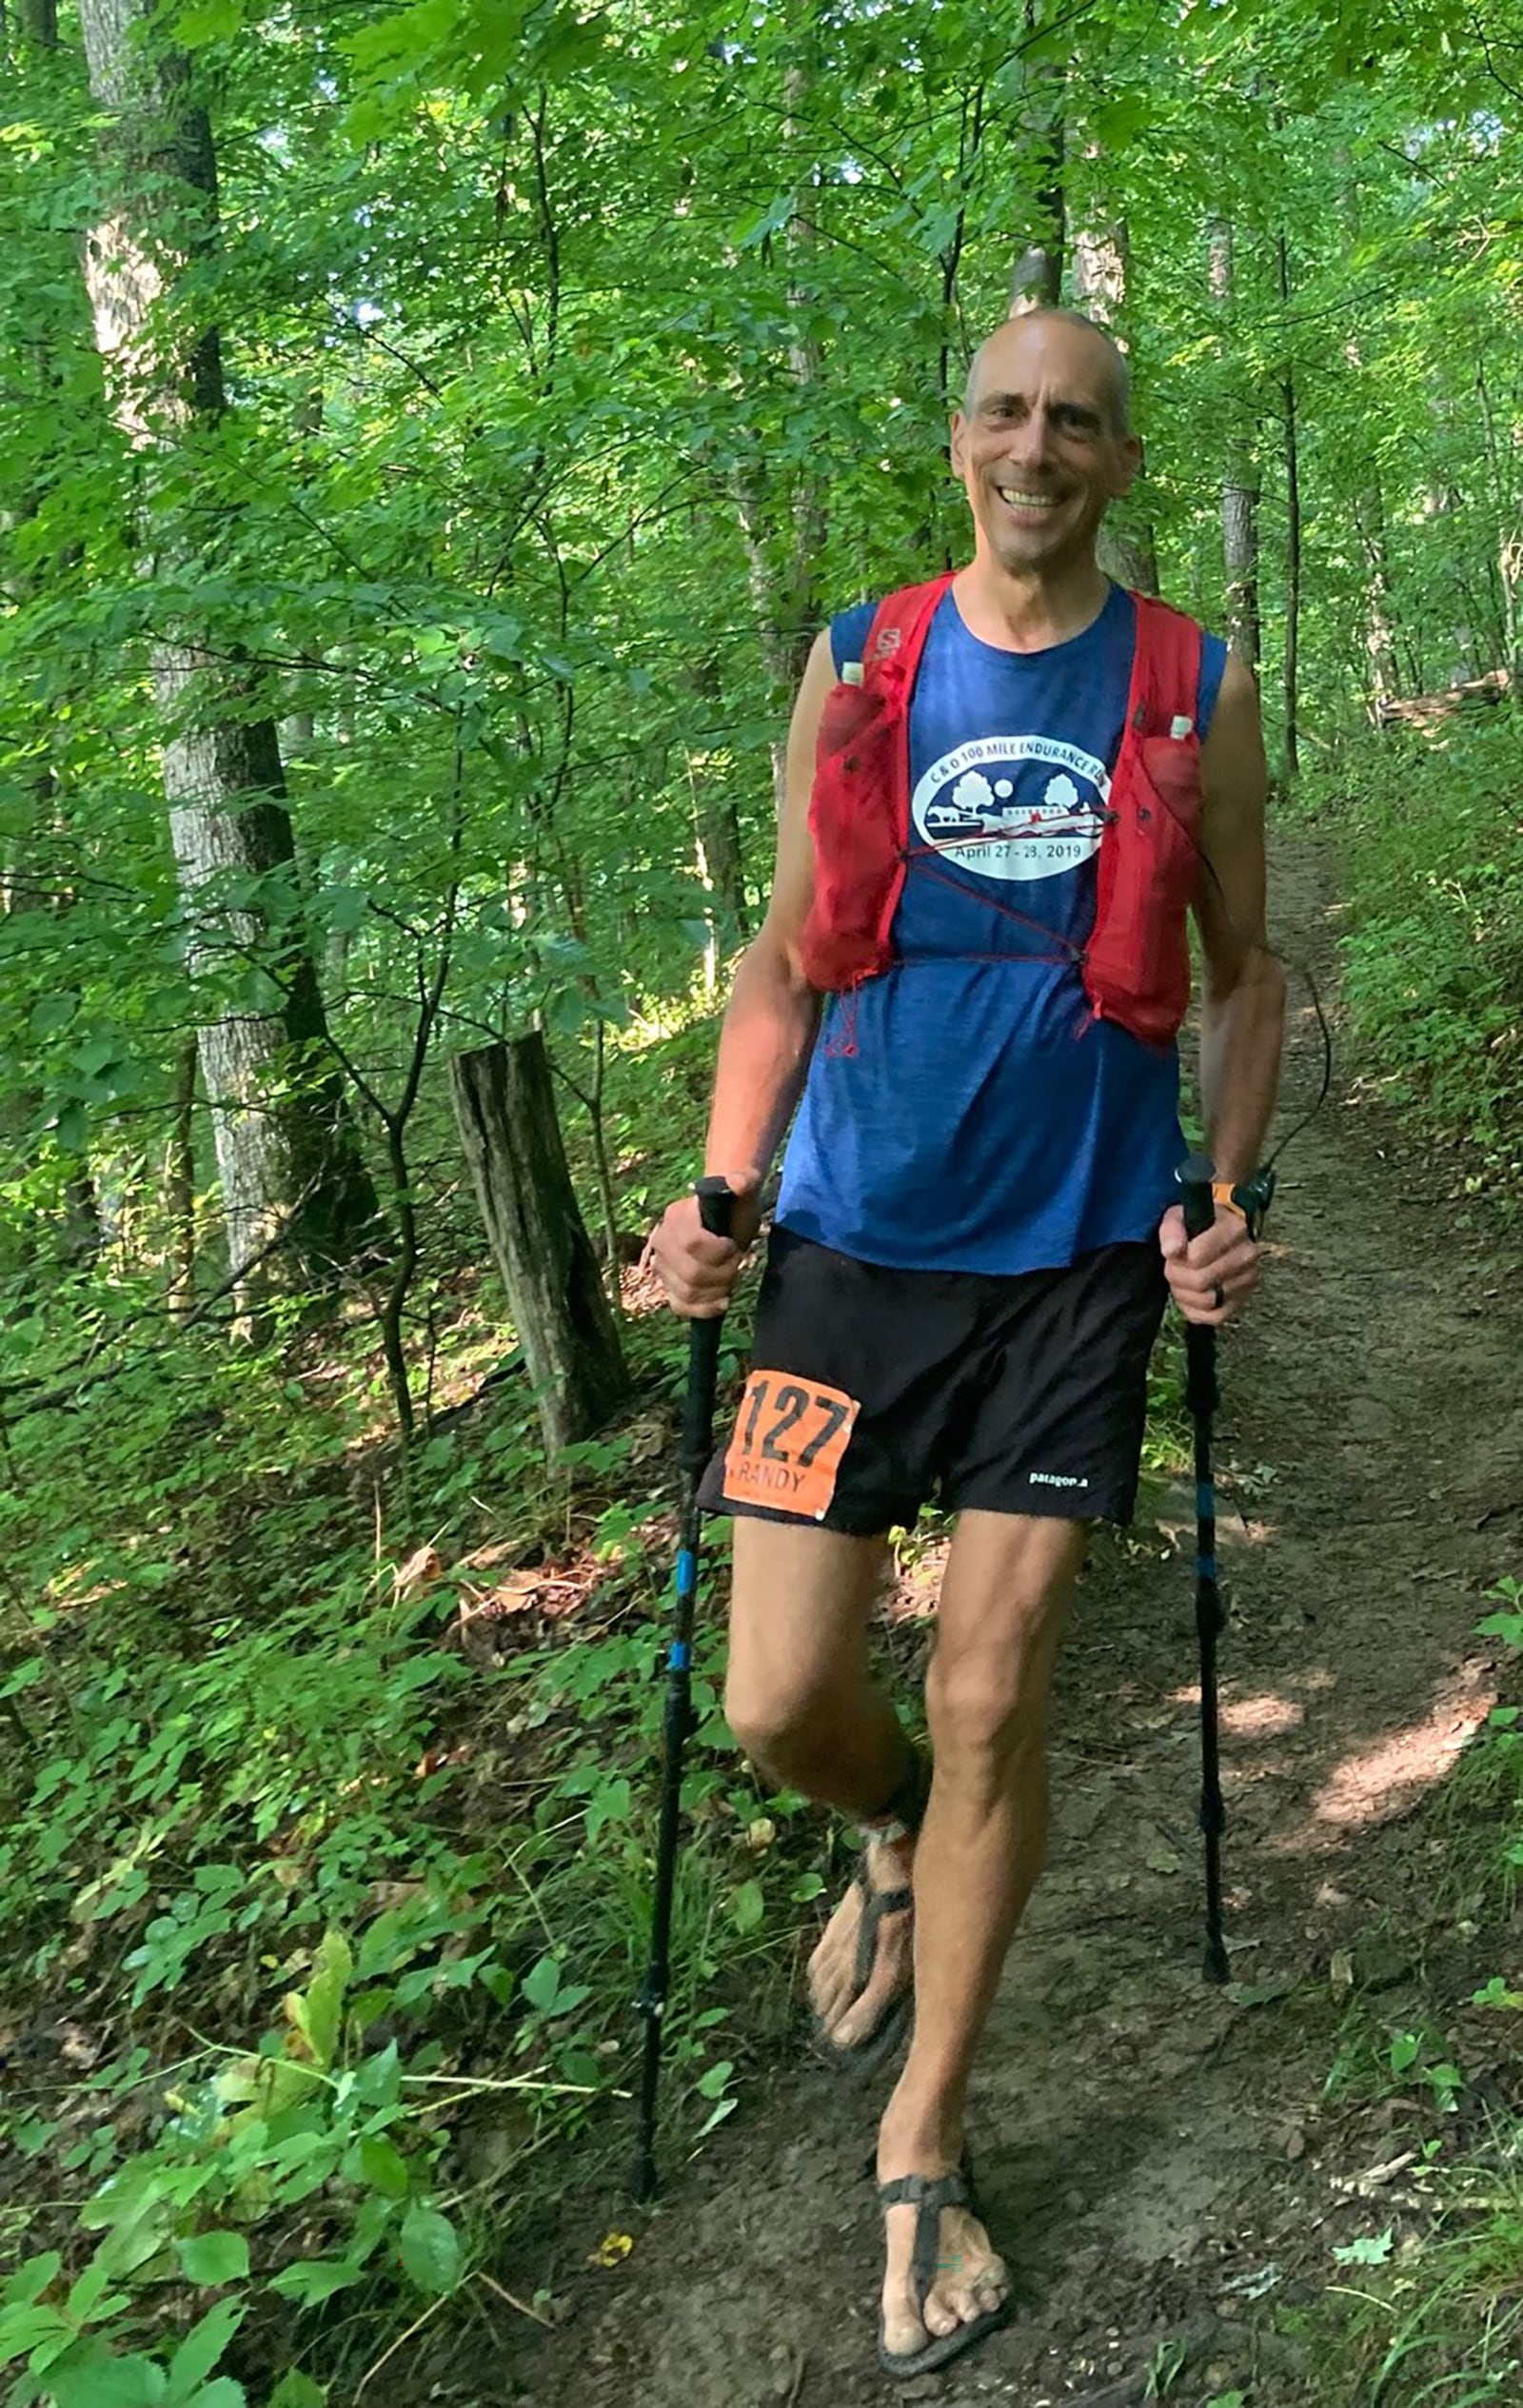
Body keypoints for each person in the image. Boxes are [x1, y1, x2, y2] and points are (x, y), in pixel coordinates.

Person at [646, 307, 1285, 2380]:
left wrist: (1227, 1196)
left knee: (997, 1681)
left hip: (1078, 1255)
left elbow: (1247, 975)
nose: (1034, 447)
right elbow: (778, 954)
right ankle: (889, 1831)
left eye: (1074, 422)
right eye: (1005, 412)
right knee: (773, 1700)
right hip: (845, 1240)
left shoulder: (1189, 680)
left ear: (1116, 461)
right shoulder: (858, 661)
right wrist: (721, 1193)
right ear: (959, 440)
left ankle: (922, 2134)